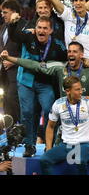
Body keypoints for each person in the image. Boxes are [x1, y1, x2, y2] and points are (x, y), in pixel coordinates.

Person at [7, 14, 67, 157]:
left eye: (45, 28)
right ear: (35, 28)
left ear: (51, 31)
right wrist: (12, 23)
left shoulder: (57, 45)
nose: (41, 31)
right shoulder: (29, 36)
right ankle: (29, 145)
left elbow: (67, 60)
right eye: (39, 27)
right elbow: (14, 36)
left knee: (49, 111)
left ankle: (49, 144)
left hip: (45, 84)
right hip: (26, 81)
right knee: (27, 112)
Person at [40, 76, 89, 175]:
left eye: (81, 89)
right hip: (66, 145)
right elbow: (50, 127)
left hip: (85, 144)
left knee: (79, 160)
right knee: (44, 159)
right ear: (68, 91)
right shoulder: (58, 104)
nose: (81, 92)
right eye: (77, 89)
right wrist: (48, 147)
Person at [1, 41, 89, 98]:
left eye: (75, 52)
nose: (71, 54)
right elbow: (35, 65)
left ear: (81, 54)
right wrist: (10, 58)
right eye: (69, 51)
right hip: (65, 108)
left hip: (86, 109)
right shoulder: (59, 67)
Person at [0, 0, 21, 123]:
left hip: (17, 71)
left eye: (5, 12)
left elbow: (27, 50)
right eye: (2, 12)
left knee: (14, 101)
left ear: (14, 12)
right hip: (4, 74)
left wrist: (14, 61)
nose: (2, 15)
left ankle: (20, 131)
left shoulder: (23, 26)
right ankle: (9, 133)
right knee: (6, 102)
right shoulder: (2, 27)